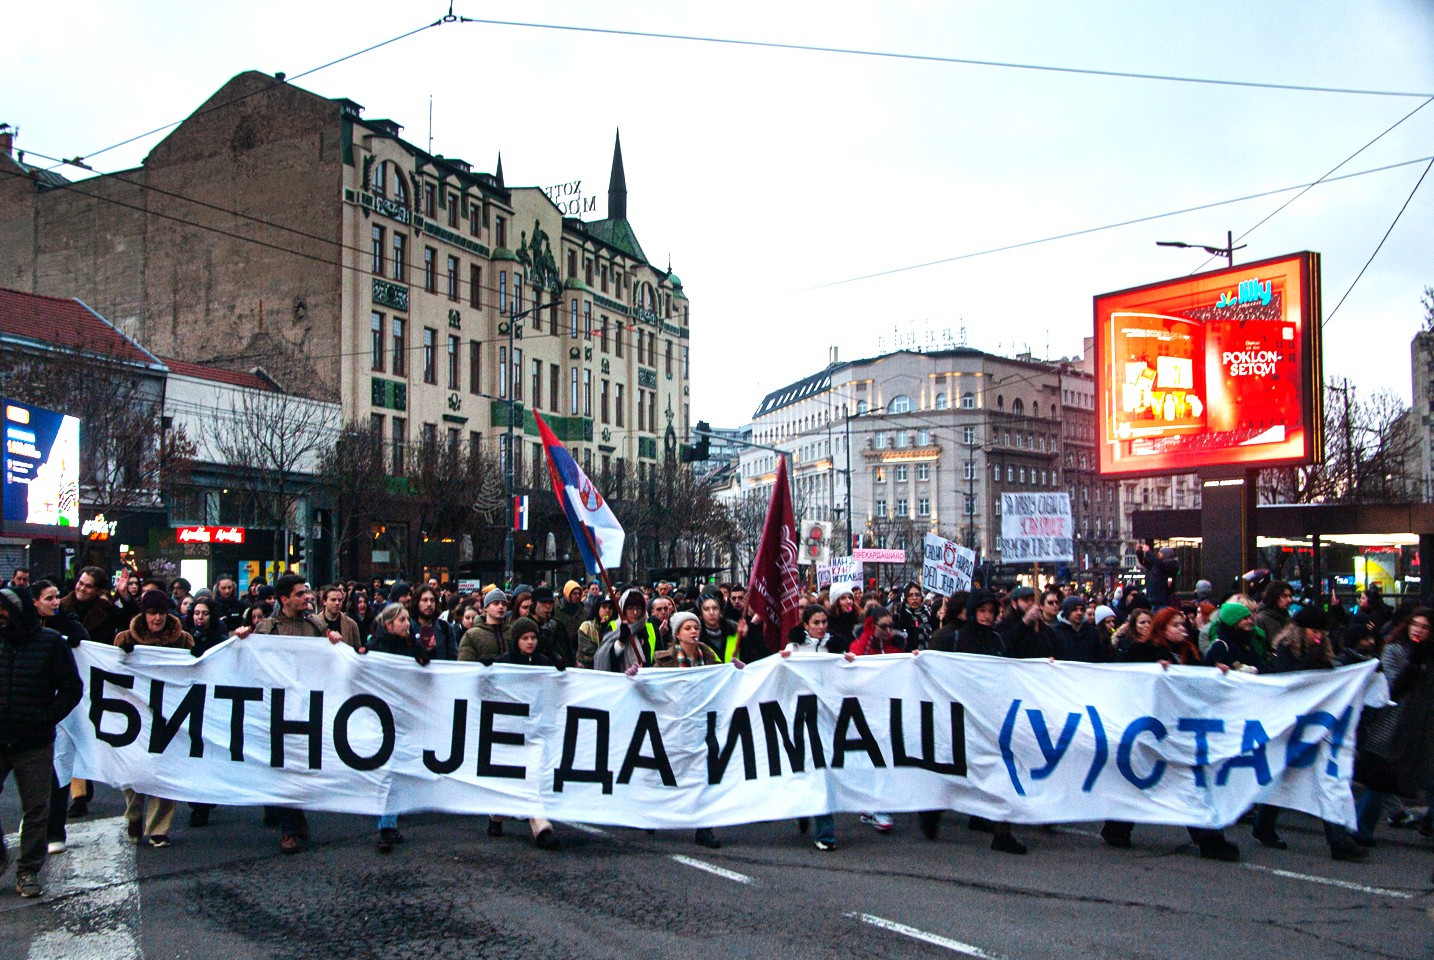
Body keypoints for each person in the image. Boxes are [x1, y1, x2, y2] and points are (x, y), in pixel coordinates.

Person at [1099, 605, 1241, 862]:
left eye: (1183, 625)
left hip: (1181, 730)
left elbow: (1199, 685)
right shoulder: (1143, 651)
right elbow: (1125, 681)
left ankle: (1210, 840)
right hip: (1151, 729)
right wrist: (1153, 672)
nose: (1182, 629)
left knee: (1190, 782)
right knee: (1145, 781)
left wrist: (1217, 674)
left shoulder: (1190, 653)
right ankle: (1117, 827)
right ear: (1162, 629)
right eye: (1175, 625)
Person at [1251, 607, 1370, 861]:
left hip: (1313, 723)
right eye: (1314, 630)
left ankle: (1337, 840)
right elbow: (1290, 679)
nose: (1319, 635)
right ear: (1300, 630)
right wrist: (1314, 659)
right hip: (1288, 723)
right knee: (1285, 773)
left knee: (1322, 776)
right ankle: (1264, 823)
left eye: (1321, 631)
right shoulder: (1285, 648)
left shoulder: (1322, 649)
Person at [920, 591, 1028, 854]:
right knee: (956, 771)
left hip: (989, 717)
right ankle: (932, 811)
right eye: (982, 611)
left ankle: (1002, 832)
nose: (988, 617)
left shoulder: (996, 639)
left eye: (991, 612)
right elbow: (928, 668)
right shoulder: (951, 637)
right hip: (957, 717)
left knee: (999, 771)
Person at [250, 574, 346, 853]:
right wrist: (242, 639)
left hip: (305, 707)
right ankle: (289, 830)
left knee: (300, 767)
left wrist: (334, 642)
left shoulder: (315, 626)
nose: (307, 597)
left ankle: (295, 815)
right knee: (282, 767)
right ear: (284, 600)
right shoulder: (267, 629)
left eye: (307, 592)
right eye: (300, 594)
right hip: (277, 706)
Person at [0, 586, 81, 897]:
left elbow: (72, 689)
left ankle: (28, 871)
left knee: (35, 809)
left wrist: (46, 718)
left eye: (6, 611)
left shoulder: (50, 644)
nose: (2, 617)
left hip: (33, 741)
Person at [114, 590, 194, 848]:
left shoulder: (182, 640)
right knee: (133, 768)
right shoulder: (125, 638)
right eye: (152, 613)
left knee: (166, 769)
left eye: (161, 612)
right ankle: (134, 815)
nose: (158, 618)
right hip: (135, 715)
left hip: (169, 716)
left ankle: (158, 828)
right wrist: (121, 656)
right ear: (143, 614)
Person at [651, 611, 735, 849]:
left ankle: (703, 826)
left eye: (696, 627)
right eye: (687, 628)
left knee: (703, 773)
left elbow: (722, 680)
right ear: (678, 634)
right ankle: (654, 810)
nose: (694, 631)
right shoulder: (664, 659)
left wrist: (734, 669)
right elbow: (653, 687)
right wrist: (637, 676)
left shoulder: (708, 656)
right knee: (671, 771)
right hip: (675, 722)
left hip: (702, 722)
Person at [362, 602, 431, 853]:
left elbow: (425, 662)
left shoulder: (410, 644)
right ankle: (386, 827)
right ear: (389, 625)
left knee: (395, 769)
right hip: (382, 715)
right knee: (387, 770)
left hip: (404, 714)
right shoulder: (374, 647)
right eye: (402, 620)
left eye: (407, 619)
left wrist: (416, 643)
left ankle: (387, 824)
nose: (407, 624)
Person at [487, 617, 561, 849]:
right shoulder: (505, 662)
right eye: (525, 638)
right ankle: (496, 815)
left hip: (535, 726)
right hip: (510, 728)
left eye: (533, 638)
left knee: (534, 776)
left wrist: (559, 672)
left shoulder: (543, 662)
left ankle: (539, 825)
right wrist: (486, 669)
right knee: (512, 777)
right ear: (516, 640)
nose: (530, 642)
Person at [594, 589, 655, 673]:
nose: (635, 612)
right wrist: (621, 641)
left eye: (639, 608)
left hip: (642, 680)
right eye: (630, 608)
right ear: (623, 609)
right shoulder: (614, 627)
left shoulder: (645, 628)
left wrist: (644, 667)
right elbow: (605, 656)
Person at [1204, 602, 1263, 672]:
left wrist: (1254, 669)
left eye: (1249, 618)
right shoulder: (1220, 646)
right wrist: (1236, 669)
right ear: (1233, 621)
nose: (1250, 621)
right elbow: (1213, 672)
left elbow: (1261, 665)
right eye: (1245, 618)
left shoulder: (1246, 643)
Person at [458, 589, 509, 662]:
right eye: (496, 603)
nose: (501, 606)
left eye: (504, 604)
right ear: (486, 608)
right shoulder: (472, 635)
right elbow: (465, 664)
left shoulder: (512, 632)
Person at [1051, 596, 1107, 662]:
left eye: (1082, 609)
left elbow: (1100, 656)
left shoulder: (1092, 632)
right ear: (1067, 612)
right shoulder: (1055, 632)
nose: (1079, 613)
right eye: (1074, 609)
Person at [410, 585, 458, 660]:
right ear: (417, 603)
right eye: (425, 600)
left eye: (432, 600)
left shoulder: (445, 628)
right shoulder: (408, 628)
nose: (429, 604)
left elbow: (453, 657)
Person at [317, 583, 363, 650]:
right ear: (324, 602)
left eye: (340, 600)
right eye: (333, 600)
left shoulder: (351, 624)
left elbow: (358, 649)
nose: (337, 603)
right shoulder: (316, 623)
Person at [576, 596, 617, 669]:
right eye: (604, 607)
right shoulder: (586, 627)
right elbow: (588, 652)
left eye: (610, 608)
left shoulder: (615, 627)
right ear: (598, 608)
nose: (607, 610)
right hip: (588, 670)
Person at [1136, 542, 1179, 609]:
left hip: (1163, 598)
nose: (1158, 554)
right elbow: (1144, 562)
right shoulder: (1157, 565)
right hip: (1154, 597)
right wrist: (1139, 553)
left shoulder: (1170, 565)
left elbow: (1158, 564)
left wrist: (1148, 552)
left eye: (1160, 552)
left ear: (1166, 554)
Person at [894, 583, 932, 650]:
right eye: (910, 595)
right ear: (905, 598)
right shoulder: (899, 617)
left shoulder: (930, 615)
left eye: (917, 595)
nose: (914, 598)